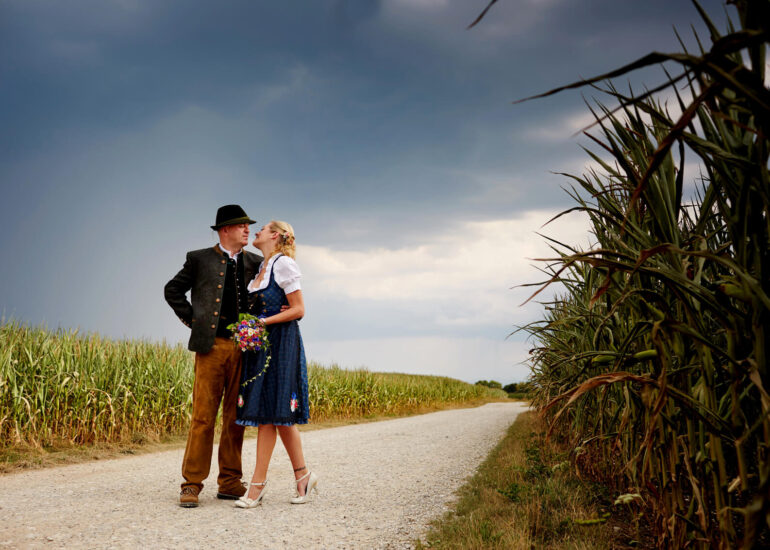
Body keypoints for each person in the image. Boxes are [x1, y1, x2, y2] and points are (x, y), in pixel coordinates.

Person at [164, 204, 262, 508]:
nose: (247, 229)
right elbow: (172, 291)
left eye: (248, 225)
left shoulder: (256, 262)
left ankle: (230, 481)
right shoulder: (199, 259)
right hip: (211, 347)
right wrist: (193, 320)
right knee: (203, 418)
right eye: (241, 225)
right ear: (225, 230)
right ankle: (191, 484)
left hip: (244, 350)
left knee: (236, 418)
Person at [234, 220, 318, 508]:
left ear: (275, 236)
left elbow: (299, 309)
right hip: (262, 345)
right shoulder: (262, 268)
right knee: (275, 414)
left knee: (273, 414)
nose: (256, 232)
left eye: (263, 228)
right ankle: (303, 476)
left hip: (281, 342)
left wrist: (262, 322)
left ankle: (257, 486)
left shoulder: (283, 264)